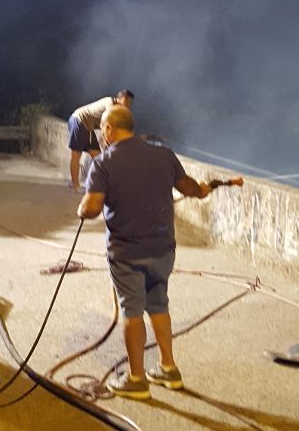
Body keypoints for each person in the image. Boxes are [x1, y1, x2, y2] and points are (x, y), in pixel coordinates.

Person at [77, 103, 212, 399]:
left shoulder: (104, 163)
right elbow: (190, 188)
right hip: (163, 248)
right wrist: (203, 189)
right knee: (159, 304)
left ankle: (137, 379)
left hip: (127, 252)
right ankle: (168, 368)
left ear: (109, 129)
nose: (101, 135)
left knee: (132, 310)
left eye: (102, 129)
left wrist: (82, 207)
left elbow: (92, 207)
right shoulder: (163, 155)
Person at [67, 89, 134, 190]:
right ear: (122, 99)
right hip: (79, 120)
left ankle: (97, 184)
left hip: (88, 128)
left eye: (130, 103)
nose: (129, 106)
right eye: (128, 102)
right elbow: (109, 124)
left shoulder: (116, 110)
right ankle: (75, 184)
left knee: (98, 157)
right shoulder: (110, 103)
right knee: (76, 154)